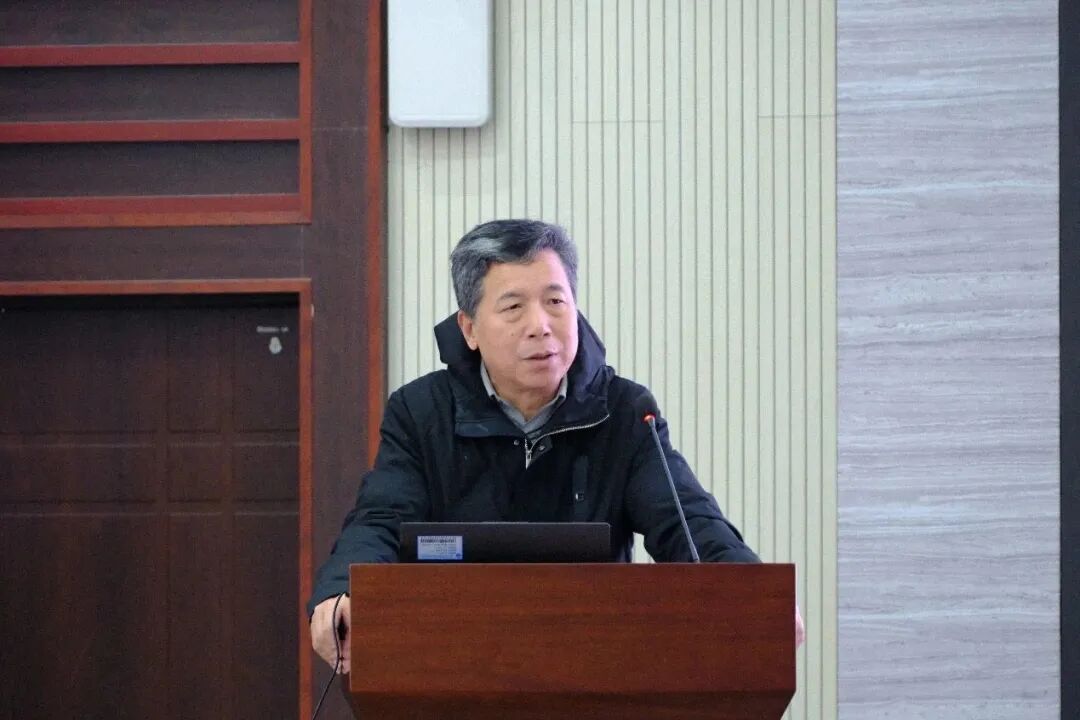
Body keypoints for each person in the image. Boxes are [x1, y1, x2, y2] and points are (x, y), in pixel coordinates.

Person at [309, 219, 804, 672]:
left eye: (555, 302)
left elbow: (687, 522)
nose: (540, 325)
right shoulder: (421, 413)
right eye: (513, 307)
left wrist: (752, 594)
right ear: (469, 328)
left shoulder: (626, 411)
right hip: (456, 663)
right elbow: (381, 518)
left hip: (596, 665)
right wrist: (341, 592)